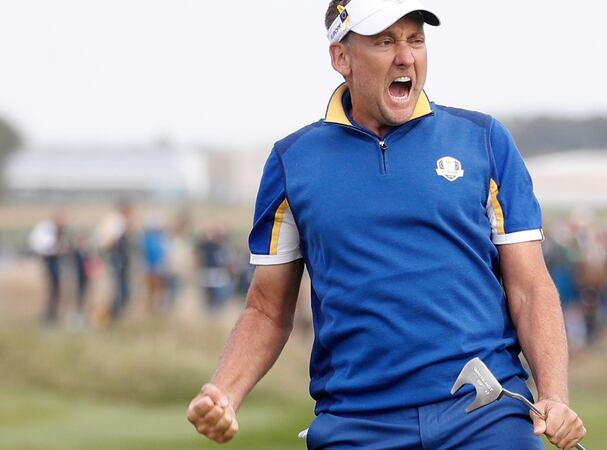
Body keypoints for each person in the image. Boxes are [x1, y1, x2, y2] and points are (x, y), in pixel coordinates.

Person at [187, 1, 586, 449]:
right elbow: (267, 309)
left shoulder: (484, 141)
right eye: (384, 42)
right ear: (341, 57)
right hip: (357, 423)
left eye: (416, 40)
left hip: (486, 414)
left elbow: (530, 287)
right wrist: (224, 393)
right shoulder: (292, 162)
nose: (405, 56)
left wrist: (554, 396)